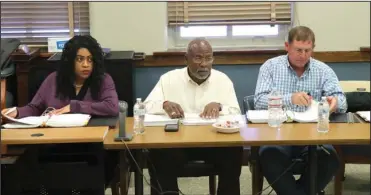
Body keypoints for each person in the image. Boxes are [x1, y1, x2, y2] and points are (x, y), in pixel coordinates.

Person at [1, 35, 119, 194]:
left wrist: (75, 106)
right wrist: (17, 112)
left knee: (101, 163)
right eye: (80, 59)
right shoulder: (53, 80)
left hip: (90, 145)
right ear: (70, 61)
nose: (86, 65)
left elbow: (112, 107)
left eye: (90, 60)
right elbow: (35, 107)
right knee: (28, 163)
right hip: (55, 143)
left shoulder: (103, 80)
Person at [254, 26, 347, 195]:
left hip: (314, 134)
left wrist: (334, 104)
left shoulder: (323, 70)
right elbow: (259, 100)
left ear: (313, 49)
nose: (302, 55)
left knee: (329, 158)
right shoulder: (270, 67)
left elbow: (341, 100)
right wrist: (290, 98)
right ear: (287, 46)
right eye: (298, 50)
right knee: (269, 154)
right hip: (278, 132)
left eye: (307, 50)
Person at [144, 38, 242, 195]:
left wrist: (220, 106)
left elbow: (236, 113)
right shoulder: (169, 79)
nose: (204, 64)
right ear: (186, 59)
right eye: (198, 58)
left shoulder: (222, 80)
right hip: (177, 145)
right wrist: (164, 104)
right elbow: (146, 106)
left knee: (233, 152)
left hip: (214, 145)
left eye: (208, 58)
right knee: (158, 154)